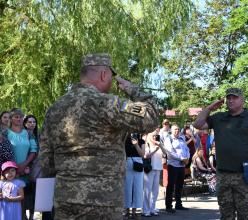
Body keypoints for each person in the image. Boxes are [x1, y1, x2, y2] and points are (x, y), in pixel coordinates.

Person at [39, 53, 159, 220]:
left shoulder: (55, 108)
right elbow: (152, 117)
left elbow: (45, 159)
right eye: (112, 76)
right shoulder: (107, 103)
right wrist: (132, 89)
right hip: (103, 202)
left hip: (65, 199)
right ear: (104, 74)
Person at [193, 88, 248, 220]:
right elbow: (198, 124)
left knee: (244, 214)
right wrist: (209, 108)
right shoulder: (218, 118)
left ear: (242, 100)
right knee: (225, 213)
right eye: (228, 98)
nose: (231, 100)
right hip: (223, 175)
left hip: (245, 175)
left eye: (235, 97)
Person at [6, 108, 38, 220]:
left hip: (25, 172)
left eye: (20, 117)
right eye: (16, 117)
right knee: (10, 204)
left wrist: (25, 164)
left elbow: (34, 150)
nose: (19, 119)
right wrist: (14, 168)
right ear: (11, 118)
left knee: (24, 204)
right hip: (9, 174)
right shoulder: (5, 133)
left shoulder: (29, 133)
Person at [163, 124, 190, 213]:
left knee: (179, 186)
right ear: (171, 130)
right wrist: (181, 158)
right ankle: (168, 206)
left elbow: (187, 149)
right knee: (170, 186)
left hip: (182, 166)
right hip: (173, 165)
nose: (177, 131)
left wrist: (187, 158)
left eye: (178, 129)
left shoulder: (182, 138)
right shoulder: (169, 139)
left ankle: (178, 204)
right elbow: (170, 152)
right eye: (175, 129)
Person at [143, 131, 164, 217]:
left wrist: (160, 146)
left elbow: (166, 154)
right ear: (149, 136)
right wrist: (155, 150)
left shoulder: (159, 145)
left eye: (156, 136)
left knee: (155, 191)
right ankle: (145, 210)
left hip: (158, 168)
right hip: (149, 169)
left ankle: (152, 208)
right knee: (147, 191)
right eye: (153, 136)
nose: (155, 137)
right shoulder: (147, 145)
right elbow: (146, 156)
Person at [124, 133, 145, 218]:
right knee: (127, 187)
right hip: (128, 163)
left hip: (138, 164)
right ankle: (127, 209)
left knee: (138, 187)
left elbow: (142, 154)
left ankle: (135, 210)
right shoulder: (125, 141)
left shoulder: (141, 141)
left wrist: (136, 145)